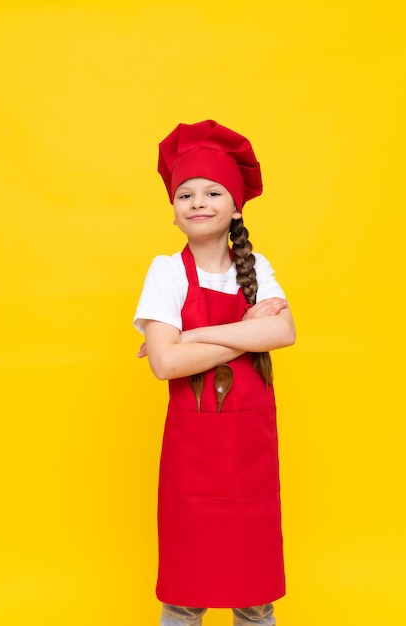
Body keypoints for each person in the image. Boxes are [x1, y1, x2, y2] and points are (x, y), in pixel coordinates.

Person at [134, 120, 295, 626]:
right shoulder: (165, 271)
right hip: (193, 458)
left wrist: (193, 336)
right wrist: (239, 333)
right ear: (174, 210)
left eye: (212, 191)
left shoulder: (257, 267)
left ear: (236, 206)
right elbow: (165, 363)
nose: (197, 201)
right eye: (185, 193)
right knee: (186, 594)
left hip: (250, 455)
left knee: (255, 597)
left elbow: (282, 333)